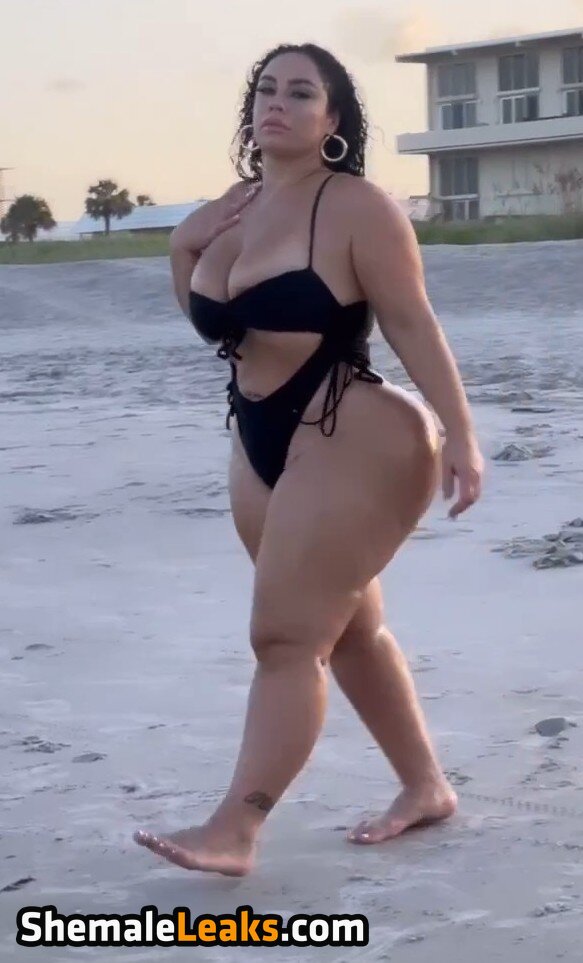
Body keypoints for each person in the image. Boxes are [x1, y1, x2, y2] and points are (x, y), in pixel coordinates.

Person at [133, 42, 484, 877]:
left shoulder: (356, 206)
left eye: (300, 92)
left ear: (332, 120)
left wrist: (462, 434)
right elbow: (214, 323)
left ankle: (236, 827)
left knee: (285, 635)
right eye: (266, 89)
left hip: (354, 430)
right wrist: (183, 248)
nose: (277, 103)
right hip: (259, 434)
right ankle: (425, 785)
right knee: (348, 626)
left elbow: (411, 322)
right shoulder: (235, 207)